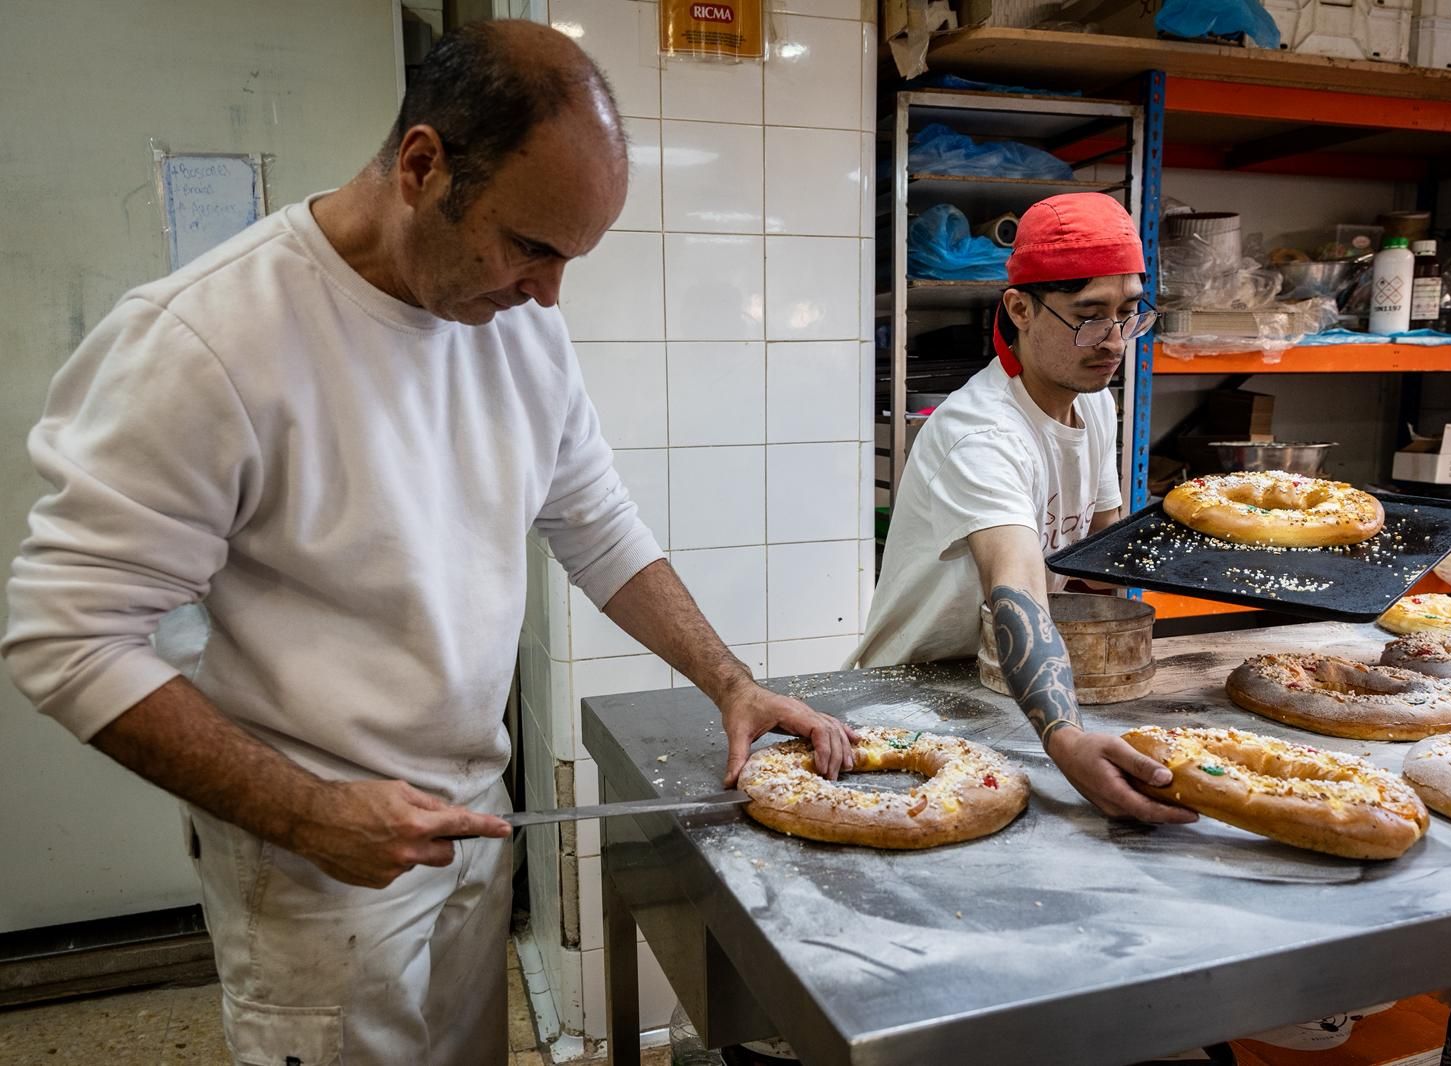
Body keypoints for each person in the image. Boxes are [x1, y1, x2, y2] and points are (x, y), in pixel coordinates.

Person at [2, 22, 852, 1066]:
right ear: (421, 165)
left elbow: (595, 523)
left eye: (569, 259)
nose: (548, 293)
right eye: (532, 245)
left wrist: (728, 681)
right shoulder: (207, 341)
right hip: (314, 866)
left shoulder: (516, 324)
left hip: (467, 823)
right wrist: (309, 815)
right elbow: (66, 639)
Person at [849, 193, 1194, 827]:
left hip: (1014, 683)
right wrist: (1065, 736)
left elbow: (1100, 547)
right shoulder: (980, 435)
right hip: (917, 694)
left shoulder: (1093, 402)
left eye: (1129, 313)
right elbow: (1017, 585)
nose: (1114, 342)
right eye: (1089, 316)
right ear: (1020, 309)